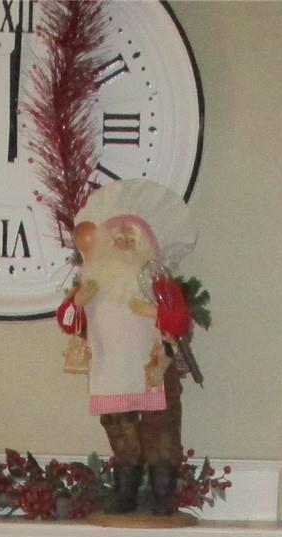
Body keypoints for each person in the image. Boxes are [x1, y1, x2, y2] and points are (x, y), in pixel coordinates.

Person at [55, 181, 198, 513]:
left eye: (130, 239)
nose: (122, 243)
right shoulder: (92, 282)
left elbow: (179, 320)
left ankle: (163, 495)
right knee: (120, 432)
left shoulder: (158, 283)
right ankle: (125, 494)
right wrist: (77, 302)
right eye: (116, 238)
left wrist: (156, 313)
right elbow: (68, 320)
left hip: (154, 369)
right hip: (111, 369)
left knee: (161, 431)